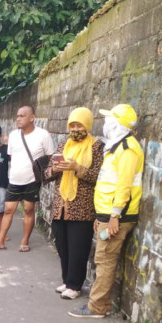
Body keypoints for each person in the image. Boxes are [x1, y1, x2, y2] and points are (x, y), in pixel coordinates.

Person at [69, 103, 143, 318]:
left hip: (117, 216)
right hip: (107, 215)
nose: (105, 124)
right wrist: (101, 217)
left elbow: (124, 186)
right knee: (102, 259)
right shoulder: (116, 147)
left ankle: (97, 307)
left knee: (105, 261)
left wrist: (113, 217)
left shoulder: (128, 150)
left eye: (109, 120)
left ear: (118, 124)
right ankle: (99, 304)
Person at [44, 107, 104, 299]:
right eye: (72, 125)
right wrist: (55, 169)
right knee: (62, 245)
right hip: (61, 206)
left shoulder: (96, 147)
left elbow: (98, 177)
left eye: (79, 125)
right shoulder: (63, 145)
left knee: (78, 247)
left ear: (87, 125)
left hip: (82, 207)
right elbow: (47, 173)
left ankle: (75, 285)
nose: (75, 129)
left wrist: (76, 168)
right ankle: (66, 280)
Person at [0, 104, 54, 252]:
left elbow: (50, 157)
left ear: (32, 118)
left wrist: (42, 172)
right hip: (14, 180)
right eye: (17, 116)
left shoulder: (43, 135)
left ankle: (25, 241)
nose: (18, 119)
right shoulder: (14, 135)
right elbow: (11, 156)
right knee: (8, 209)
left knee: (28, 210)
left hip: (32, 181)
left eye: (22, 116)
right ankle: (0, 241)